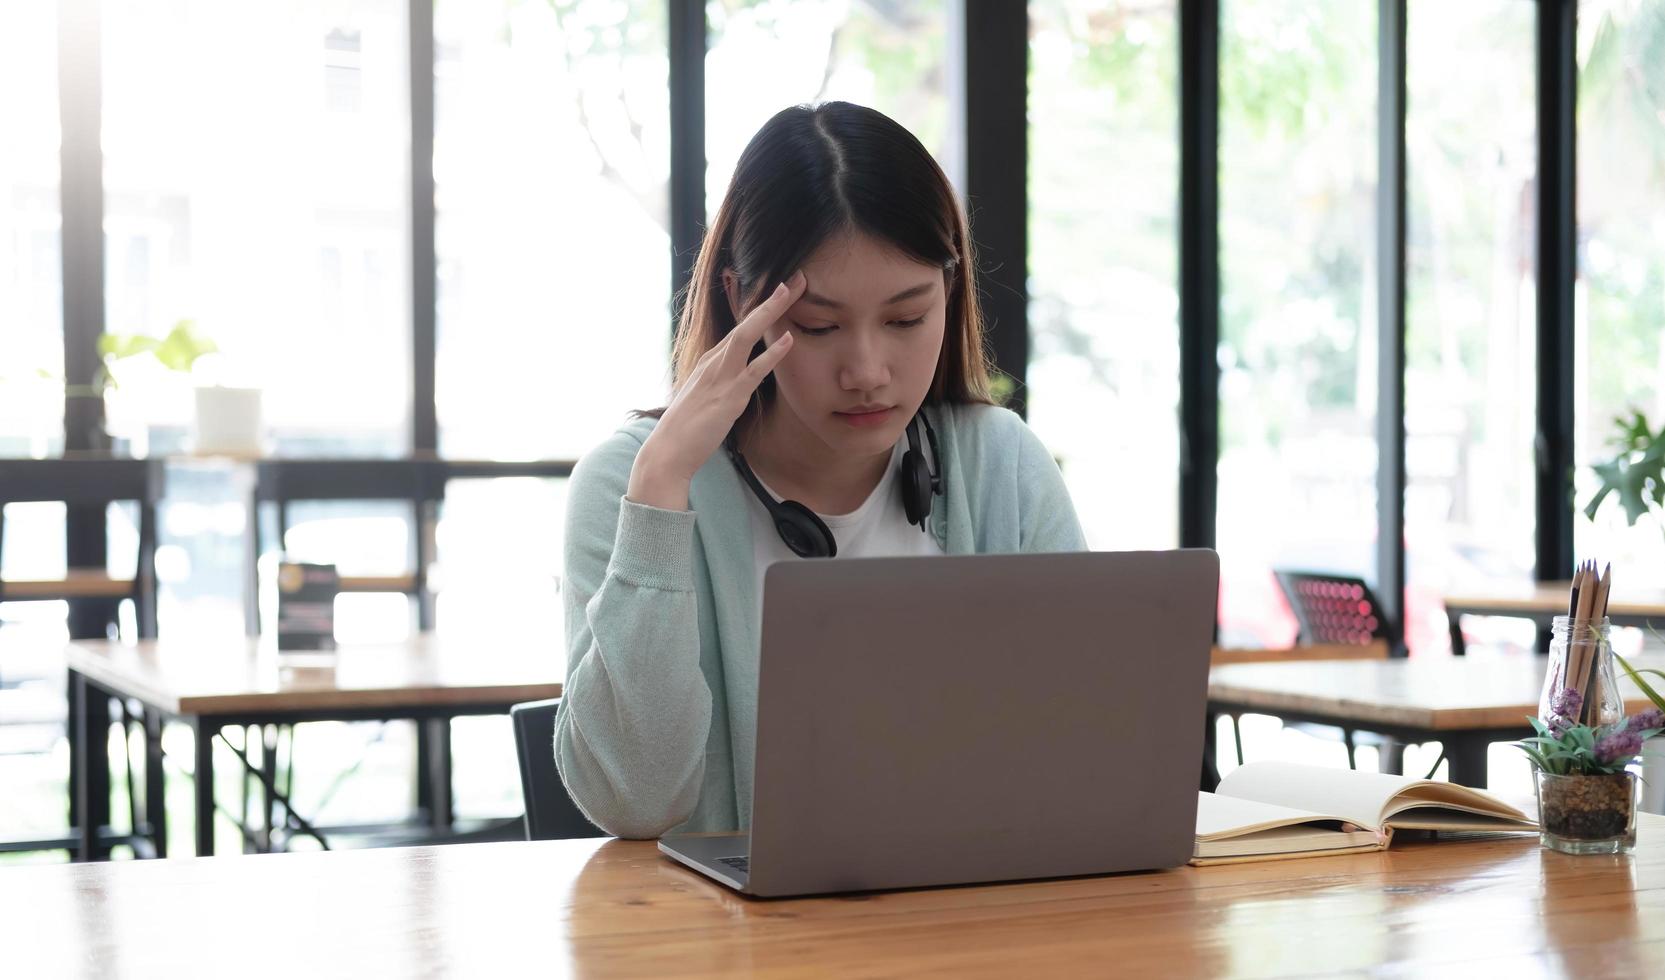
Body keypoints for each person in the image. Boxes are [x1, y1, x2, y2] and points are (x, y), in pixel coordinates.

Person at [556, 102, 1086, 839]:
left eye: (906, 319)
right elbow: (636, 802)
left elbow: (1087, 756)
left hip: (971, 930)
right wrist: (658, 493)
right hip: (734, 950)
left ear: (950, 291)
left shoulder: (1001, 465)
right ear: (743, 301)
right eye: (818, 327)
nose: (867, 372)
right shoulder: (630, 484)